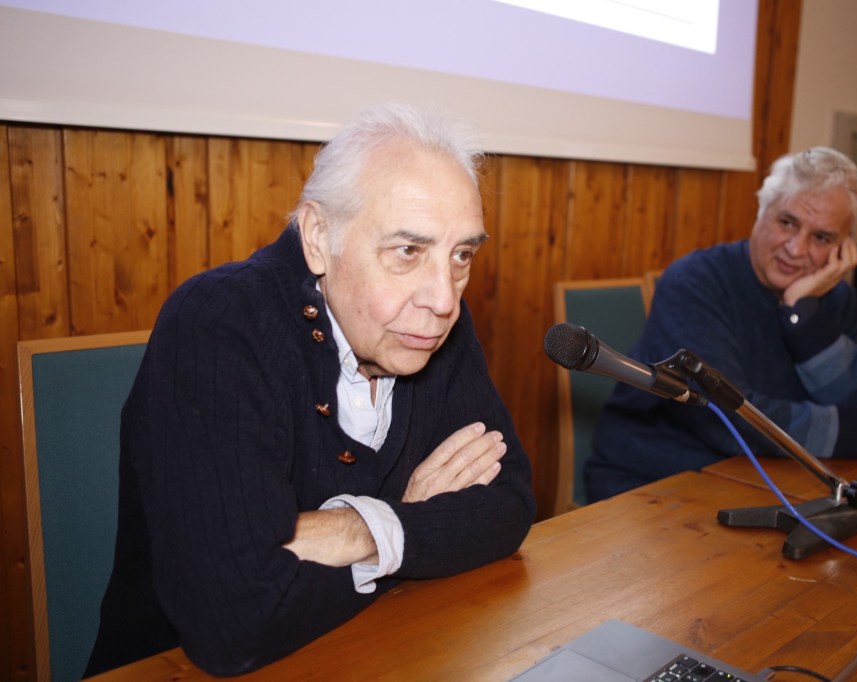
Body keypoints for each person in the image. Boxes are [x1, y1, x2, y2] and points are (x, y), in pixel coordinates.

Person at [85, 103, 536, 677]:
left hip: (377, 652)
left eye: (462, 255)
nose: (444, 299)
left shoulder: (427, 324)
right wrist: (416, 523)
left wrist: (363, 529)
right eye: (408, 251)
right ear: (319, 237)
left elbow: (510, 504)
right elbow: (234, 623)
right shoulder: (218, 322)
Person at [585, 147, 857, 502]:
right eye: (787, 222)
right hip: (655, 485)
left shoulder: (833, 297)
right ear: (761, 211)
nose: (796, 249)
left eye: (822, 237)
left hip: (770, 479)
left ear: (844, 248)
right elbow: (727, 419)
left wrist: (803, 316)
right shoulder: (694, 282)